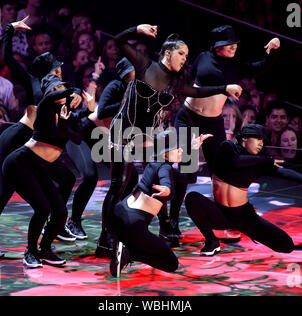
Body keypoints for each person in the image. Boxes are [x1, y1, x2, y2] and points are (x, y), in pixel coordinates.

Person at [97, 23, 233, 258]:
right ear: (167, 53)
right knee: (118, 187)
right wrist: (136, 30)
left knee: (154, 180)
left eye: (187, 56)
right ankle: (106, 240)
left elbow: (198, 92)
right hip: (123, 134)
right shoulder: (145, 65)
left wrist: (224, 88)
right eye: (181, 53)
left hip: (145, 139)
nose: (184, 59)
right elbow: (119, 40)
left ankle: (158, 227)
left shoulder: (174, 82)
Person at [171, 25, 280, 237]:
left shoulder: (237, 65)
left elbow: (261, 66)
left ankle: (226, 218)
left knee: (222, 172)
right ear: (216, 46)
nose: (232, 48)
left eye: (234, 44)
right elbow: (193, 81)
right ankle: (172, 220)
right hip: (188, 118)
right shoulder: (203, 59)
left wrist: (273, 51)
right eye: (227, 45)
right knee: (186, 170)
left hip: (213, 123)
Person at [185, 124, 302, 256]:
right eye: (257, 138)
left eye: (263, 140)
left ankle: (249, 232)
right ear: (244, 139)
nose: (261, 143)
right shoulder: (228, 147)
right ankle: (211, 241)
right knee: (192, 198)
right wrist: (265, 160)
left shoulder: (258, 162)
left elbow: (283, 172)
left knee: (286, 246)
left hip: (244, 216)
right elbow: (234, 162)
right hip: (220, 214)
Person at [0, 74, 82, 268]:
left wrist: (64, 123)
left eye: (60, 88)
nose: (58, 92)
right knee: (42, 208)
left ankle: (45, 249)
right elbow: (54, 96)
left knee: (60, 212)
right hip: (19, 164)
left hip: (40, 167)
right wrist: (74, 90)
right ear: (48, 93)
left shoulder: (67, 113)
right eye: (54, 89)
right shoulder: (44, 108)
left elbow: (77, 138)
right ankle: (30, 251)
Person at [108, 130, 182, 277]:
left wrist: (194, 145)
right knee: (172, 264)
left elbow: (177, 174)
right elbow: (166, 179)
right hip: (132, 225)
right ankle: (129, 254)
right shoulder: (165, 167)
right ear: (165, 153)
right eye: (177, 147)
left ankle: (124, 248)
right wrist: (167, 190)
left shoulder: (154, 163)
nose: (181, 150)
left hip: (117, 215)